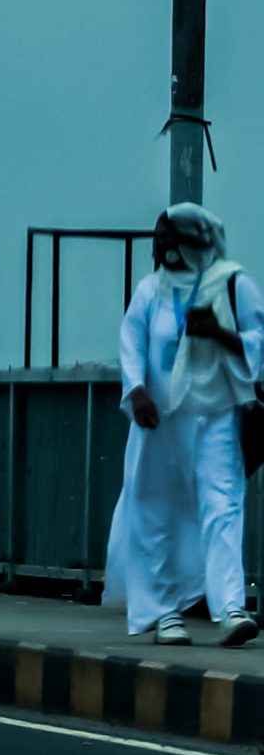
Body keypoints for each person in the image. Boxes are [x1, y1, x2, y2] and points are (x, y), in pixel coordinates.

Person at [109, 204, 264, 647]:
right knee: (155, 510)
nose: (162, 246)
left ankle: (231, 608)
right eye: (159, 237)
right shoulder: (150, 291)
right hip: (159, 422)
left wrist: (218, 332)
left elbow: (259, 342)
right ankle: (164, 613)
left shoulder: (232, 283)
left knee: (222, 507)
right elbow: (131, 344)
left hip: (215, 416)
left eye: (170, 236)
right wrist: (136, 390)